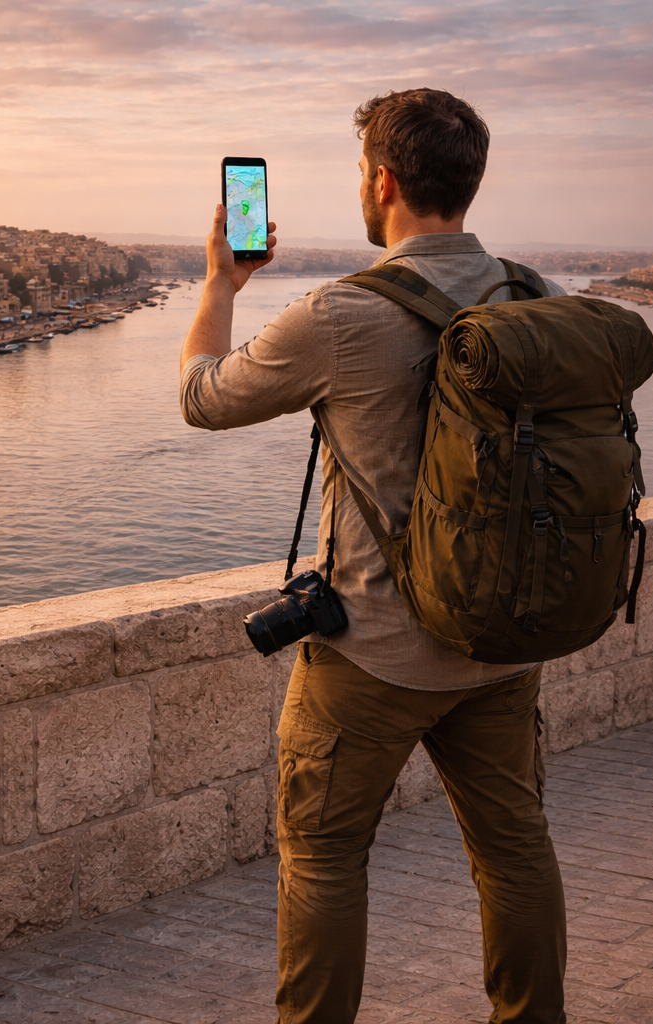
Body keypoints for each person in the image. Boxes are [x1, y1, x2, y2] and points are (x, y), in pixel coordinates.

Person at [178, 89, 569, 1024]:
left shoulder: (341, 317)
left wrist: (222, 284)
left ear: (383, 182)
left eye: (363, 172)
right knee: (515, 850)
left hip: (373, 653)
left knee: (321, 857)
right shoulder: (535, 298)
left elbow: (201, 397)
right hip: (502, 643)